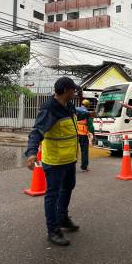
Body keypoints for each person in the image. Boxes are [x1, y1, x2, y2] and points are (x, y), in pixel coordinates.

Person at [25, 77, 88, 247]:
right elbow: (37, 131)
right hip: (54, 162)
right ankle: (53, 230)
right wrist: (31, 153)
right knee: (52, 195)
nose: (75, 92)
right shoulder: (50, 109)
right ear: (67, 90)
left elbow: (77, 115)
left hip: (69, 159)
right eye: (73, 90)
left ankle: (62, 218)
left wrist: (89, 113)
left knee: (68, 187)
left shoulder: (68, 106)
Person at [77, 99, 95, 172]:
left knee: (74, 151)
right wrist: (92, 134)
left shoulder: (77, 110)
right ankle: (84, 167)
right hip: (83, 135)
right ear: (87, 106)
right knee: (84, 151)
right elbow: (90, 126)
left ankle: (70, 165)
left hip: (75, 134)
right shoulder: (86, 113)